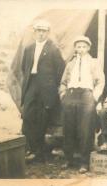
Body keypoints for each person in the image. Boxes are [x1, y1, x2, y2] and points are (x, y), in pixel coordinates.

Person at [21, 19, 65, 163]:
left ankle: (38, 153)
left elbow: (60, 70)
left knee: (42, 119)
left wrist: (52, 86)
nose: (41, 34)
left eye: (44, 31)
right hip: (31, 85)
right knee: (27, 115)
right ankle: (30, 148)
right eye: (38, 31)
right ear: (34, 32)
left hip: (46, 89)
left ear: (48, 33)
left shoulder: (53, 49)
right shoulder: (28, 48)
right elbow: (24, 68)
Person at [59, 36, 105, 173]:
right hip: (71, 95)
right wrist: (63, 94)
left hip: (86, 96)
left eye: (83, 47)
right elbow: (63, 82)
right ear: (75, 48)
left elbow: (100, 82)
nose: (81, 49)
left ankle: (84, 162)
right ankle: (69, 159)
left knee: (86, 129)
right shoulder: (70, 64)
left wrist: (94, 97)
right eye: (78, 47)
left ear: (88, 48)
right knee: (68, 127)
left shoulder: (93, 63)